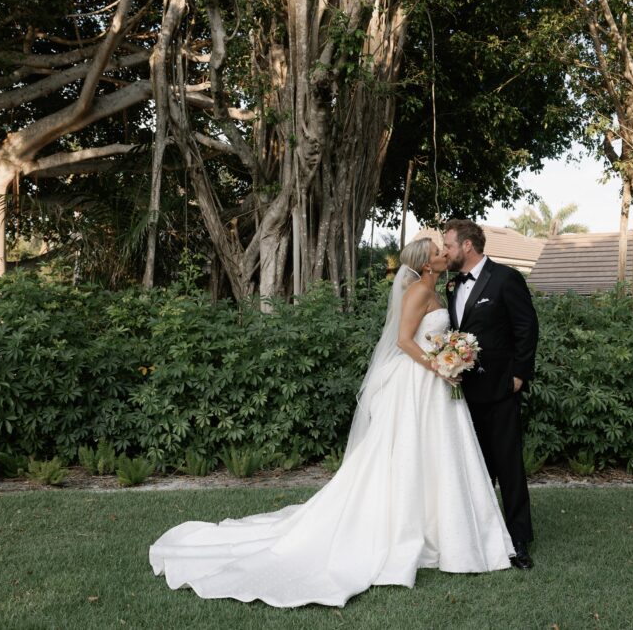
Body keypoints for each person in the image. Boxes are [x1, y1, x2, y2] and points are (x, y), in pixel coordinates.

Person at [149, 238, 514, 608]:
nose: (443, 255)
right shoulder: (418, 292)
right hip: (417, 383)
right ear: (425, 265)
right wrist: (438, 365)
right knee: (408, 452)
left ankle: (443, 531)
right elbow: (404, 341)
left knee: (439, 454)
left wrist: (451, 358)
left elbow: (431, 336)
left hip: (436, 385)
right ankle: (405, 531)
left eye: (442, 250)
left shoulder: (438, 289)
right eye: (437, 252)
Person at [442, 219, 539, 569]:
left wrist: (519, 375)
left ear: (467, 246)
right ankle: (481, 534)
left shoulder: (506, 278)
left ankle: (518, 540)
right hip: (463, 392)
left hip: (500, 387)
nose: (445, 251)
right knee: (476, 466)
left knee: (508, 465)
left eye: (449, 245)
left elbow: (527, 327)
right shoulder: (451, 285)